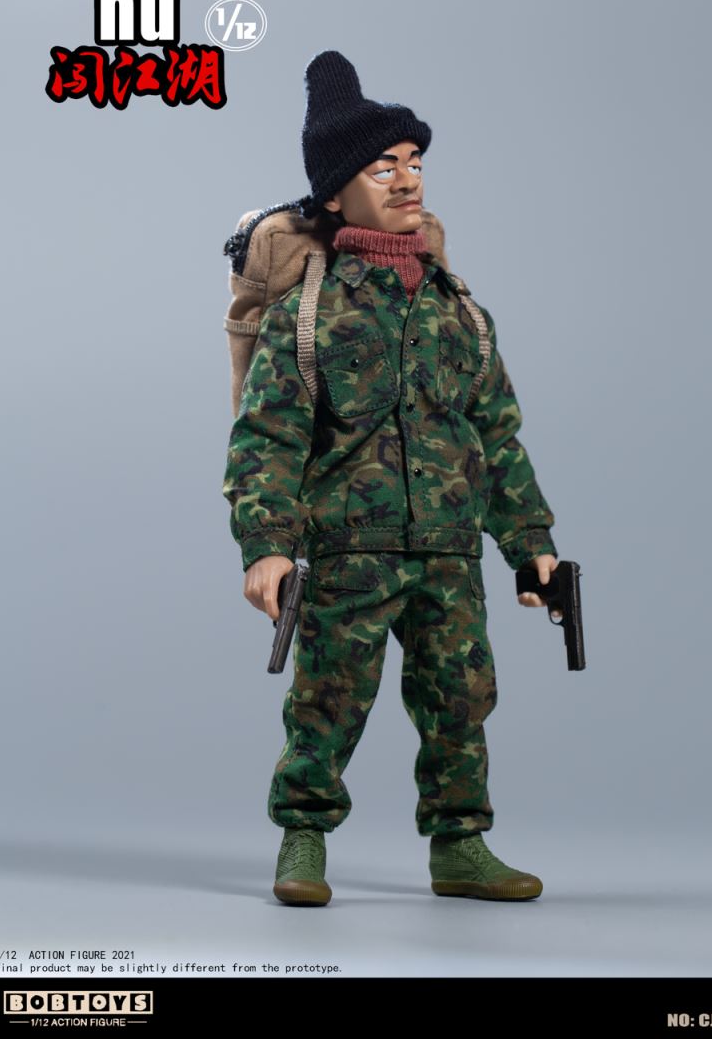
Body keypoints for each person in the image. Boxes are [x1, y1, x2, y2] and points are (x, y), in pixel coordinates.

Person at [222, 50, 560, 906]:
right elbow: (268, 436)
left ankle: (461, 844)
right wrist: (266, 545)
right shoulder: (310, 310)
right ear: (335, 194)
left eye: (414, 163)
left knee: (463, 698)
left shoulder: (457, 308)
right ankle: (303, 838)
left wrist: (531, 544)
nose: (408, 179)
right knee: (328, 700)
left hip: (448, 549)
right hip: (350, 549)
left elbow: (496, 434)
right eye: (384, 167)